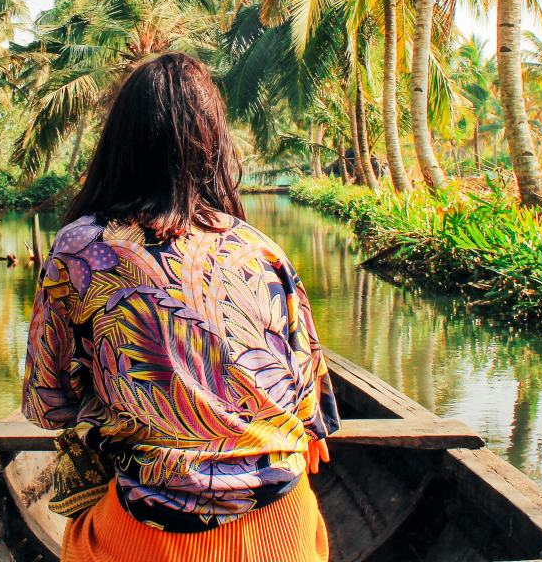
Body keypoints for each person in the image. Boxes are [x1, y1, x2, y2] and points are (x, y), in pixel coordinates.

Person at [22, 52, 339, 562]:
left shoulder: (81, 248)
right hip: (285, 528)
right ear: (213, 146)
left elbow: (49, 403)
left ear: (119, 145)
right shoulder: (259, 248)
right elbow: (312, 411)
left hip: (153, 534)